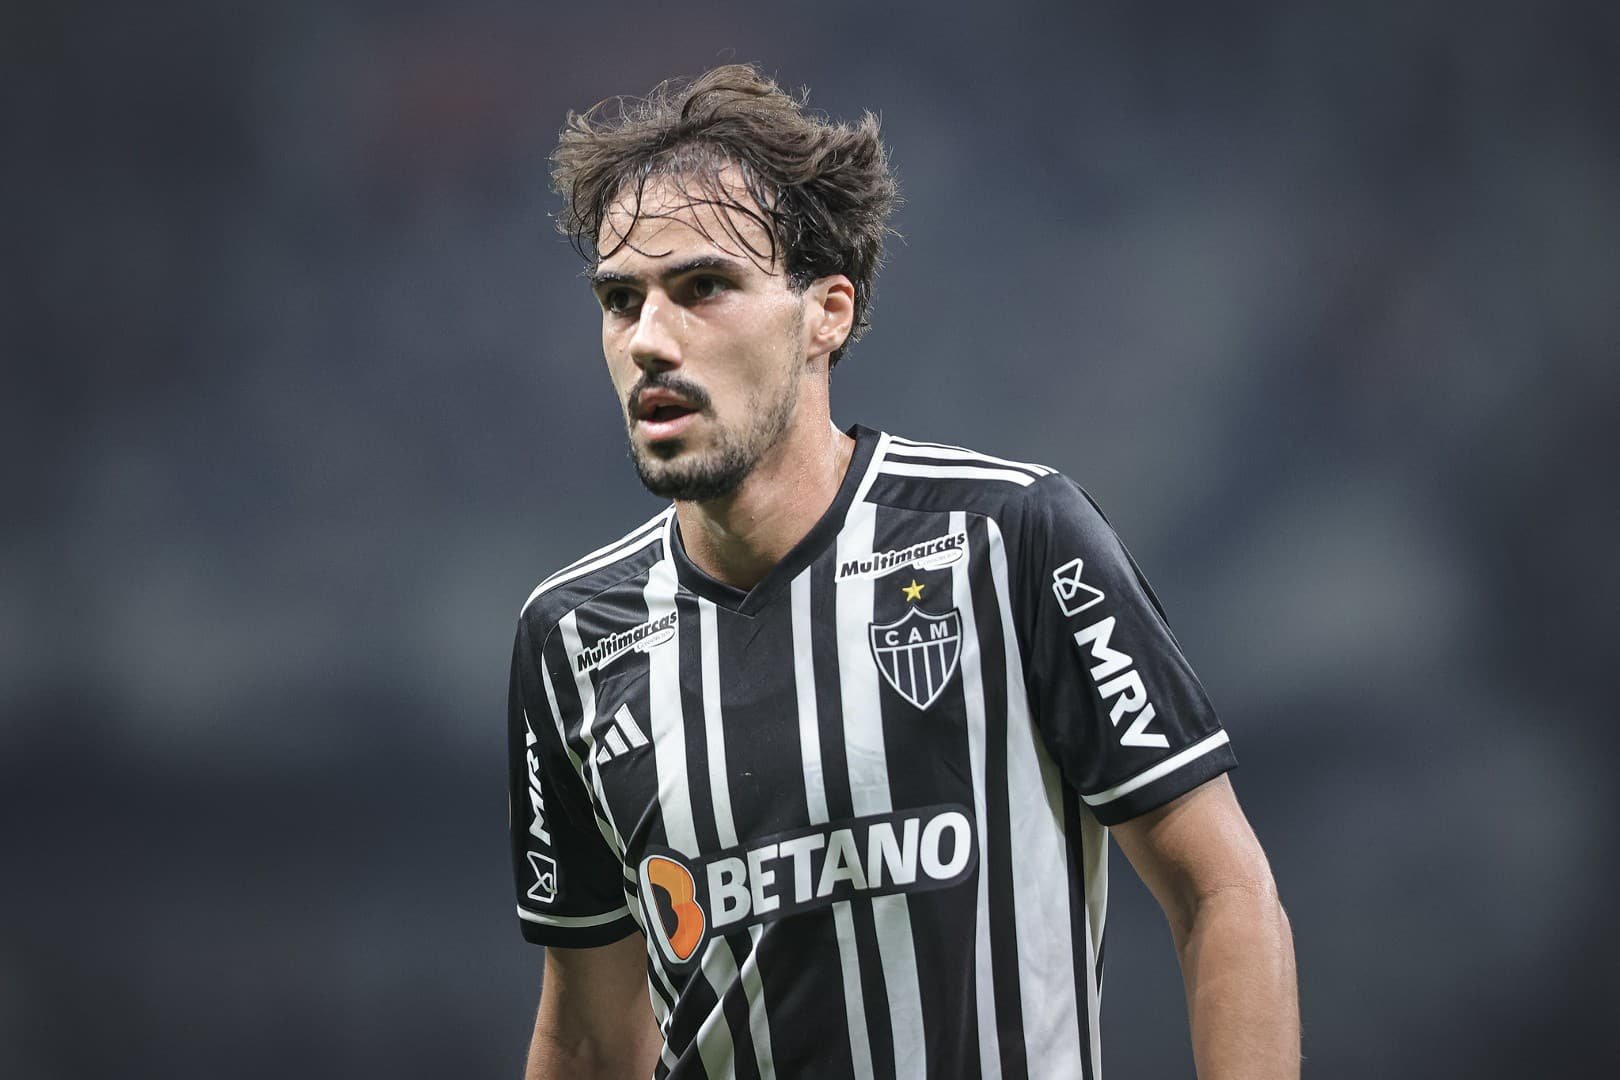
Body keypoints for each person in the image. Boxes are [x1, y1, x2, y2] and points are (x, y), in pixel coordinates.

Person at [508, 64, 1298, 1080]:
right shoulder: (572, 638)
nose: (651, 338)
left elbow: (1223, 893)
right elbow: (584, 1033)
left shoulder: (1010, 539)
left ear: (826, 314)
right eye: (622, 300)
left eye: (704, 286)